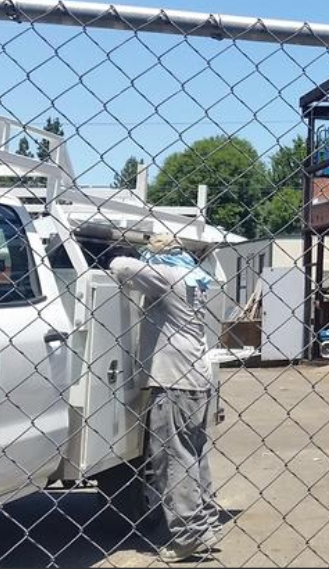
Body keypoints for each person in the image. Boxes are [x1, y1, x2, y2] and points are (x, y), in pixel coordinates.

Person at [110, 234, 222, 562]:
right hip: (195, 380)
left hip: (173, 382)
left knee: (173, 459)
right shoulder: (194, 278)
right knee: (194, 455)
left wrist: (125, 254)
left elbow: (120, 267)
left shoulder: (169, 276)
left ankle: (186, 535)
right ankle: (205, 525)